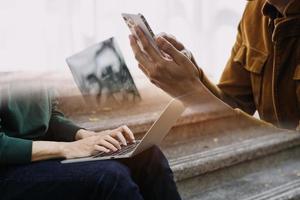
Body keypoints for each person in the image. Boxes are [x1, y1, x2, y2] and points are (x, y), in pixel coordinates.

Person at [129, 0, 300, 130]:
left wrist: (191, 93)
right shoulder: (255, 10)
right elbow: (233, 103)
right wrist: (193, 76)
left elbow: (292, 150)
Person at [0, 83, 181, 200]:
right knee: (110, 176)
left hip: (42, 156)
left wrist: (84, 135)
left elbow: (51, 115)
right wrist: (68, 148)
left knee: (148, 155)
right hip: (8, 169)